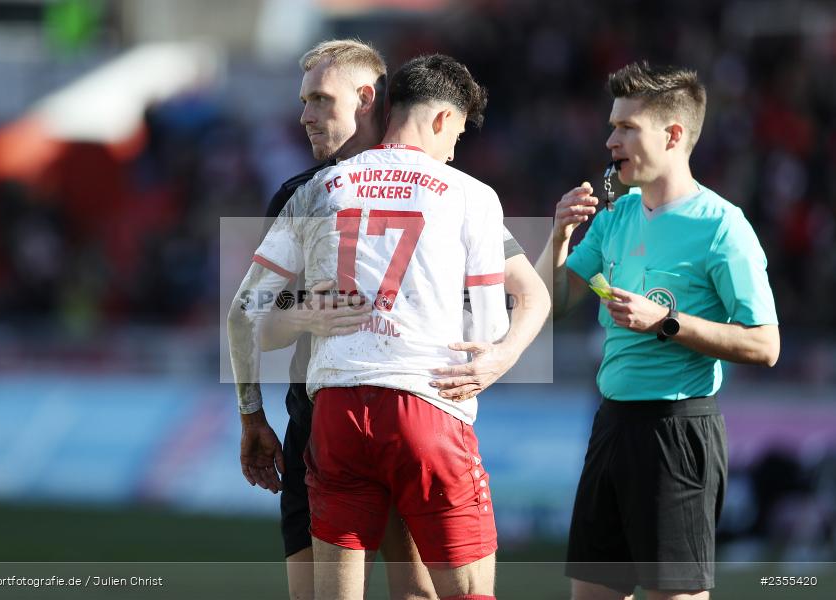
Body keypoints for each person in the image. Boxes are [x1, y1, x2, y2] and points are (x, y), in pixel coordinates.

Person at [239, 41, 549, 600]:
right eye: (456, 136)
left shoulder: (314, 190)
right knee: (454, 592)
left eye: (317, 99)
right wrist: (493, 359)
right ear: (442, 118)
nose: (305, 114)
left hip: (332, 413)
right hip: (423, 403)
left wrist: (303, 316)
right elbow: (507, 308)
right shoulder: (465, 193)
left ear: (371, 99)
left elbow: (255, 316)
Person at [535, 61, 780, 600]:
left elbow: (766, 345)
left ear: (672, 136)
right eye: (611, 125)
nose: (610, 140)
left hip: (677, 431)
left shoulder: (722, 226)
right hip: (611, 428)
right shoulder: (614, 218)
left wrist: (665, 322)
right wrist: (558, 236)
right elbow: (551, 305)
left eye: (626, 128)